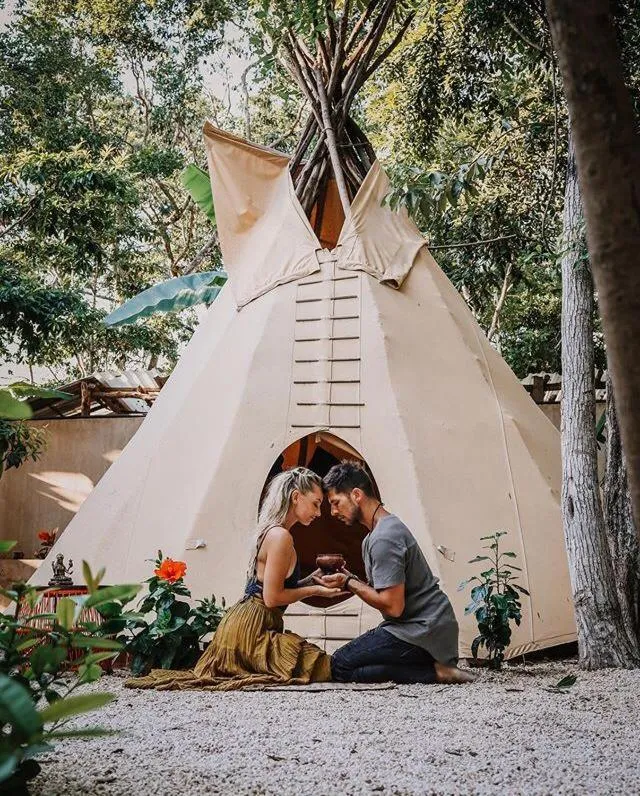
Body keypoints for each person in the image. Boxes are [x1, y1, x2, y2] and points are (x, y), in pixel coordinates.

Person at [126, 467, 344, 691]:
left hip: (247, 621)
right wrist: (315, 591)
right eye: (316, 503)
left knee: (325, 665)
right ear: (296, 497)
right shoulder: (280, 536)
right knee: (324, 666)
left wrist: (311, 580)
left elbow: (270, 587)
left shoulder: (273, 531)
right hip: (252, 631)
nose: (318, 513)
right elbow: (272, 597)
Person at [318, 461, 474, 685]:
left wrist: (349, 582)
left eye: (335, 503)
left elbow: (393, 606)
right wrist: (346, 578)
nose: (333, 512)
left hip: (424, 630)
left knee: (340, 665)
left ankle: (437, 673)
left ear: (356, 495)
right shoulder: (374, 536)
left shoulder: (384, 537)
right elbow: (387, 591)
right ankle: (427, 668)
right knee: (354, 662)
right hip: (420, 629)